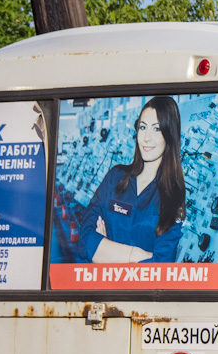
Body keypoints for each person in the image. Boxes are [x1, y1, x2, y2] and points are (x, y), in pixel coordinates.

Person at [80, 95, 186, 263]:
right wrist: (135, 255)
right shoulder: (115, 178)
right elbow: (86, 239)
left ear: (169, 135)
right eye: (143, 128)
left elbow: (161, 265)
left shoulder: (172, 196)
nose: (146, 138)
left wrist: (105, 249)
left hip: (143, 290)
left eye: (156, 129)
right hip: (104, 288)